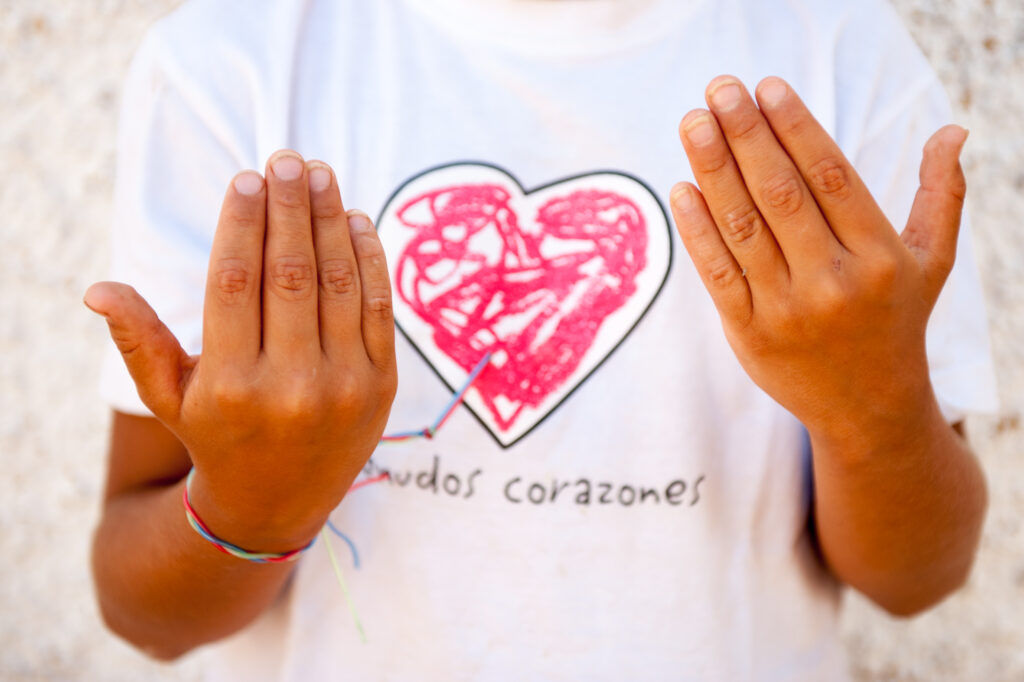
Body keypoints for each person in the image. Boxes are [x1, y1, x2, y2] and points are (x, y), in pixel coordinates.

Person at [86, 0, 998, 679]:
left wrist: (875, 410)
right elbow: (143, 611)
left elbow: (915, 580)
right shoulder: (238, 62)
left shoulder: (838, 54)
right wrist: (251, 507)